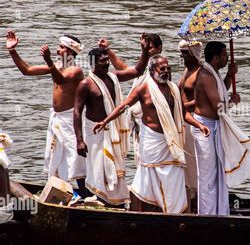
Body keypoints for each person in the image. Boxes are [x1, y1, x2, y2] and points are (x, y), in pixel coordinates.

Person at [93, 55, 210, 213]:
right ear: (153, 70)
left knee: (175, 176)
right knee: (147, 179)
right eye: (162, 68)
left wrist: (200, 125)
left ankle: (175, 213)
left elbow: (183, 114)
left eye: (168, 68)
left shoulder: (173, 89)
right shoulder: (144, 88)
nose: (166, 71)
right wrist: (105, 121)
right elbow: (123, 106)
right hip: (151, 141)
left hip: (171, 142)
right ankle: (146, 212)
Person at [5, 30, 88, 197]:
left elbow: (61, 79)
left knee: (75, 156)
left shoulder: (76, 70)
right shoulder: (55, 66)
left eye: (62, 48)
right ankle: (60, 189)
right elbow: (27, 70)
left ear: (71, 52)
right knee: (55, 154)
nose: (58, 50)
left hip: (70, 118)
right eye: (59, 47)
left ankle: (86, 194)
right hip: (57, 118)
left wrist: (48, 60)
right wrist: (12, 51)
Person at [74, 35, 150, 206]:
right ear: (93, 64)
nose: (107, 63)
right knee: (98, 169)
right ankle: (100, 200)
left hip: (113, 129)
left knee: (115, 168)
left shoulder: (113, 77)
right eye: (103, 62)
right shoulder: (86, 84)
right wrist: (79, 140)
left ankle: (115, 202)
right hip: (95, 131)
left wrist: (144, 50)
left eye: (107, 60)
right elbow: (77, 112)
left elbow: (138, 70)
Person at [193, 41, 250, 216]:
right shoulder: (206, 76)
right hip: (205, 129)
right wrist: (232, 102)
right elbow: (219, 107)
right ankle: (207, 216)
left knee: (218, 175)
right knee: (208, 176)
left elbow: (221, 89)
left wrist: (229, 76)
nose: (227, 58)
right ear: (216, 58)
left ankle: (219, 213)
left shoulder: (212, 73)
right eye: (225, 55)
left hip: (214, 127)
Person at [97, 34, 163, 165]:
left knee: (148, 156)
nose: (147, 50)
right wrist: (108, 49)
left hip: (150, 118)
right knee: (140, 154)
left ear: (159, 48)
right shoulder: (145, 66)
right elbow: (125, 69)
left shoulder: (161, 68)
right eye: (145, 48)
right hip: (137, 118)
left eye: (149, 48)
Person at [177, 40, 203, 209]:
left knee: (193, 162)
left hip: (194, 121)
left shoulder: (201, 73)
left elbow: (200, 101)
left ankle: (196, 201)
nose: (181, 56)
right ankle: (186, 199)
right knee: (183, 161)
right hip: (182, 121)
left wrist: (175, 108)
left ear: (193, 54)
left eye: (185, 53)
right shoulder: (187, 70)